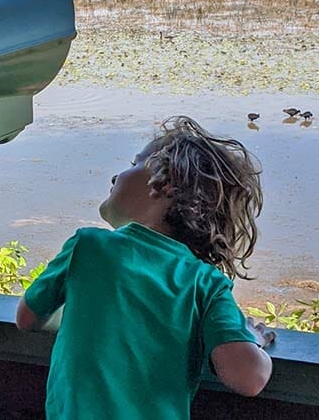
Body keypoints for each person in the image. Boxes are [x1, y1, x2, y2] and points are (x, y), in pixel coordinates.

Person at [16, 116, 273, 419]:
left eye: (135, 163)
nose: (116, 176)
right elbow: (249, 377)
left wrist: (82, 315)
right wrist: (253, 337)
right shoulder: (205, 282)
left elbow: (27, 317)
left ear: (163, 184)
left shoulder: (87, 246)